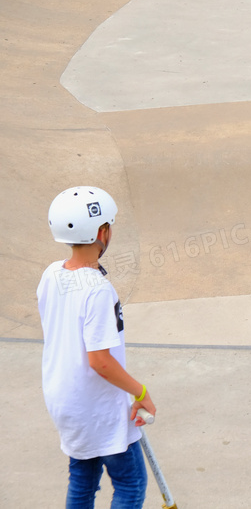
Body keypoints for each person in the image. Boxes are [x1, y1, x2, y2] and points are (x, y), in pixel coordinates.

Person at [38, 186, 156, 508]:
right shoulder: (98, 290)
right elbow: (100, 361)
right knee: (130, 484)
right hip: (98, 409)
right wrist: (140, 391)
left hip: (66, 403)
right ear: (103, 232)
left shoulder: (51, 275)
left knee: (83, 479)